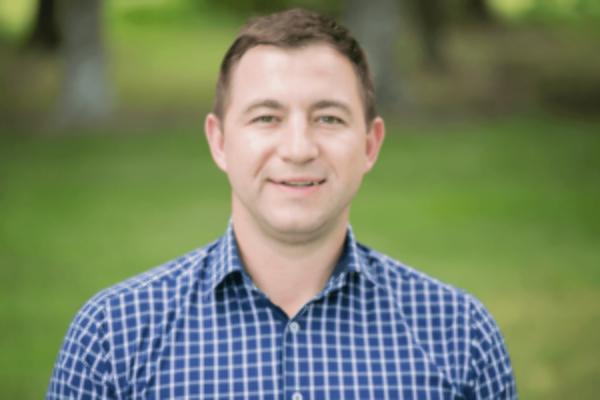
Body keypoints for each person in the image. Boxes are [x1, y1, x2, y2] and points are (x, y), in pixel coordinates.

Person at [47, 9, 516, 399]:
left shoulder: (461, 336)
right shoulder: (111, 336)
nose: (298, 149)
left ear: (370, 145)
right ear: (220, 142)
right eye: (266, 117)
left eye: (328, 118)